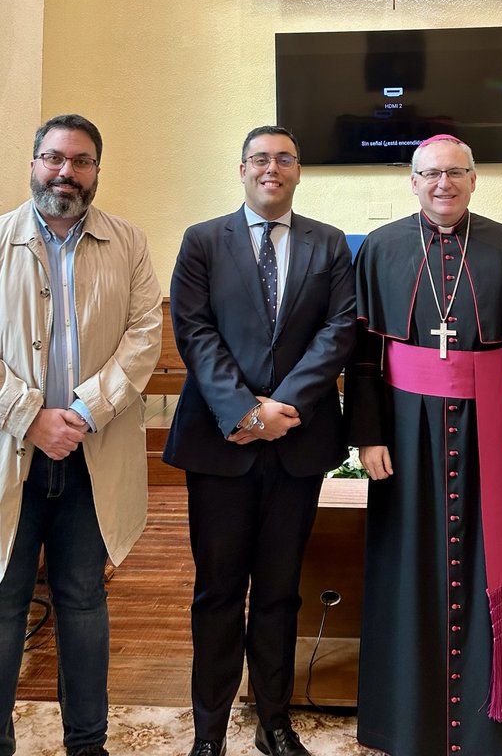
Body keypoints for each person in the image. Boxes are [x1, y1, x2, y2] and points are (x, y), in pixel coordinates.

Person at [0, 114, 163, 756]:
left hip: (93, 456)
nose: (66, 172)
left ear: (97, 170)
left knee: (84, 602)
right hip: (7, 455)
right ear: (33, 162)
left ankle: (87, 744)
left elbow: (145, 336)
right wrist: (31, 416)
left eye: (81, 161)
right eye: (54, 158)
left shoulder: (129, 243)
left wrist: (86, 411)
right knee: (0, 609)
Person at [347, 134, 502, 756]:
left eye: (456, 173)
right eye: (430, 174)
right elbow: (362, 355)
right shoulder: (381, 248)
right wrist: (368, 434)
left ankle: (500, 718)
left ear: (474, 180)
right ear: (412, 182)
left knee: (495, 556)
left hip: (491, 417)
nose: (443, 184)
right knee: (407, 557)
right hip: (404, 426)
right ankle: (404, 715)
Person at [162, 126, 356, 756]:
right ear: (241, 169)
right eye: (260, 159)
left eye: (285, 159)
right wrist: (245, 412)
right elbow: (192, 329)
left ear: (298, 172)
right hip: (220, 444)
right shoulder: (201, 240)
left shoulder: (329, 244)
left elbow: (339, 330)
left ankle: (274, 723)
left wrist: (283, 407)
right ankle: (210, 732)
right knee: (218, 592)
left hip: (297, 444)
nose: (272, 168)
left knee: (279, 591)